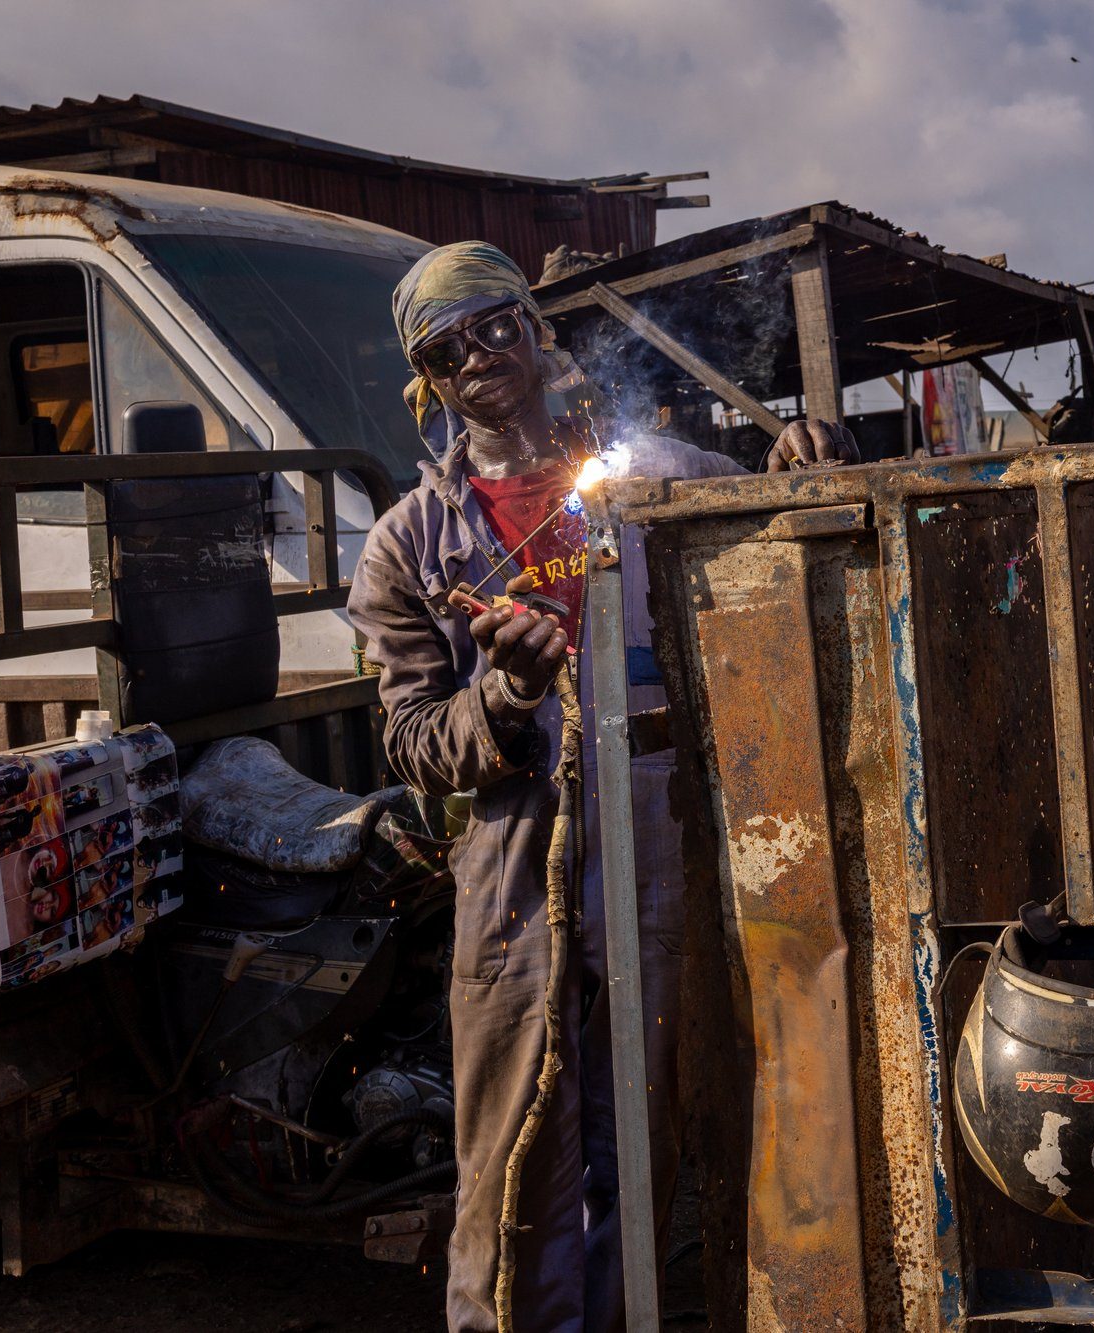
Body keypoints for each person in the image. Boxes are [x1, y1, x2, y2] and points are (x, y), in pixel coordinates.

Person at [347, 241, 856, 1333]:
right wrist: (503, 698)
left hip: (660, 820)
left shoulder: (667, 477)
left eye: (495, 324)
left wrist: (810, 470)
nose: (479, 352)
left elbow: (792, 558)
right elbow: (412, 740)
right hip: (512, 842)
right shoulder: (408, 544)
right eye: (448, 345)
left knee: (651, 1103)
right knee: (511, 1127)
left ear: (539, 334)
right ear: (428, 380)